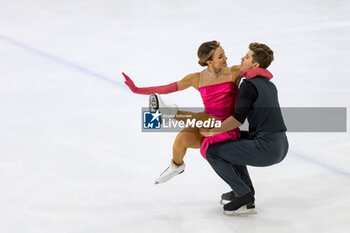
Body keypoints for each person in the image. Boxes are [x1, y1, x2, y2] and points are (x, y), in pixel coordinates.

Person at [123, 41, 242, 184]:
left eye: (224, 54)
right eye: (221, 56)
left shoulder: (234, 72)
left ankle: (170, 113)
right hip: (208, 123)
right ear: (209, 61)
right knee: (181, 139)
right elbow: (166, 88)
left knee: (203, 118)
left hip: (227, 127)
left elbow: (256, 69)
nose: (226, 58)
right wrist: (137, 90)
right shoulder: (196, 78)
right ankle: (176, 167)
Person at [199, 42, 289, 215]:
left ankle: (243, 194)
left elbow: (238, 119)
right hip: (281, 145)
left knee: (212, 152)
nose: (242, 58)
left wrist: (213, 130)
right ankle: (246, 191)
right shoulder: (269, 85)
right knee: (234, 141)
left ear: (255, 65)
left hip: (267, 148)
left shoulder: (248, 85)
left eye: (247, 57)